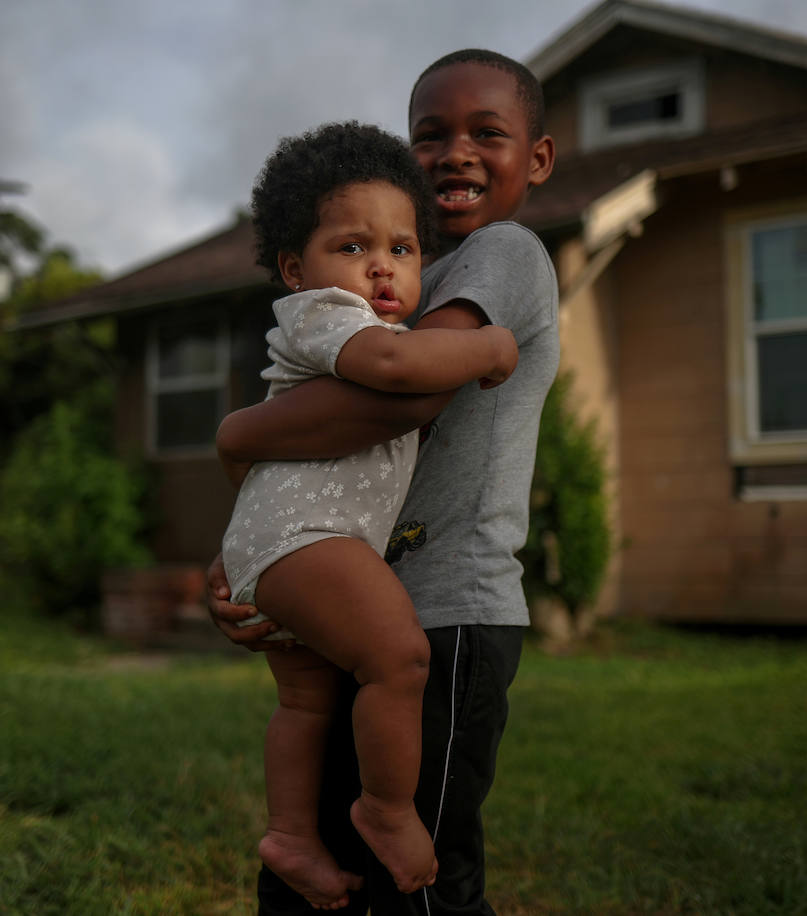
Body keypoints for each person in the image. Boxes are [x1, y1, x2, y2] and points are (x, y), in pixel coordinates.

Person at [210, 49, 557, 915]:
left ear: (538, 160)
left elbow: (398, 399)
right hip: (359, 594)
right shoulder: (389, 288)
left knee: (416, 882)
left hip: (445, 608)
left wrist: (239, 434)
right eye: (430, 135)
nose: (457, 153)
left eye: (489, 133)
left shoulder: (504, 254)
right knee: (326, 862)